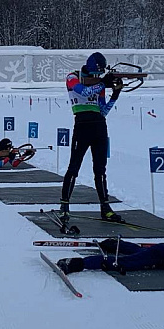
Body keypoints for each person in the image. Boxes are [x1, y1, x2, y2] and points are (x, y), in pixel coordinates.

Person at [60, 52, 124, 222]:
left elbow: (103, 110)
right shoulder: (73, 77)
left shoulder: (99, 83)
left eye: (100, 73)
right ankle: (64, 205)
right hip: (82, 126)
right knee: (74, 168)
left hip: (99, 126)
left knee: (100, 170)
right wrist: (103, 83)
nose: (97, 76)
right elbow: (82, 90)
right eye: (96, 72)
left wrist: (115, 95)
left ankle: (105, 207)